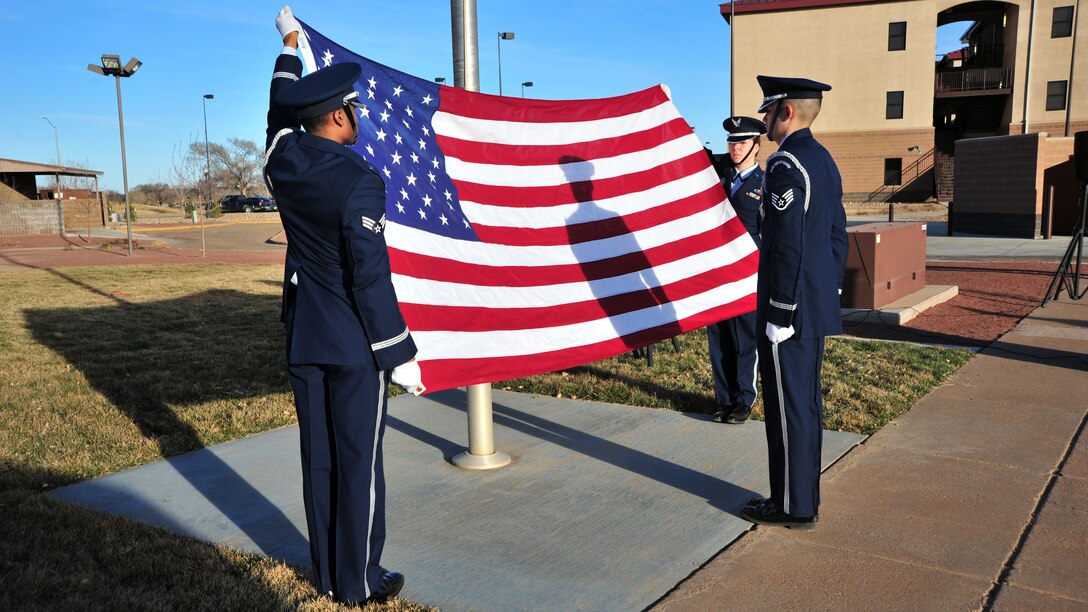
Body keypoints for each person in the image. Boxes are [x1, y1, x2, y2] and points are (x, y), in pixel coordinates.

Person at [264, 6, 423, 604]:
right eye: (353, 109)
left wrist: (289, 47)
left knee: (320, 463)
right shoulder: (359, 181)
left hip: (306, 337)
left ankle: (328, 572)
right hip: (355, 345)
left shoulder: (283, 161)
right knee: (360, 466)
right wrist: (396, 350)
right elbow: (369, 277)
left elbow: (278, 109)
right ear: (336, 115)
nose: (358, 118)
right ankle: (358, 582)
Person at [740, 76, 847, 530]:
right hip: (813, 303)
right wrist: (828, 290)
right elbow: (835, 237)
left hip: (789, 310)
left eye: (768, 111)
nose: (764, 119)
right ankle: (803, 498)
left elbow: (787, 245)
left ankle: (789, 506)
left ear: (786, 112)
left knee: (788, 409)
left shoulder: (786, 165)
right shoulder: (821, 159)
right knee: (805, 405)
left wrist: (781, 311)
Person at [709, 116, 767, 425]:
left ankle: (744, 399)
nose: (735, 148)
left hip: (749, 274)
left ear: (756, 147)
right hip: (718, 274)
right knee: (719, 338)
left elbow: (769, 234)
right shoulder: (718, 180)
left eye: (742, 142)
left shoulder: (765, 184)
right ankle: (724, 399)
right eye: (732, 142)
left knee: (746, 339)